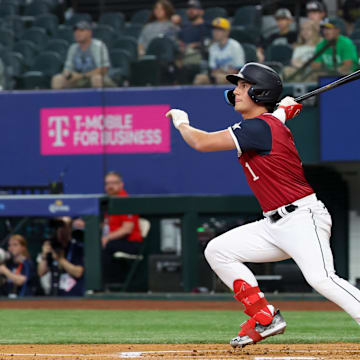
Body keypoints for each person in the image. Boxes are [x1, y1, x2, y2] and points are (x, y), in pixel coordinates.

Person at [166, 62, 360, 348]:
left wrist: (181, 122)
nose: (236, 91)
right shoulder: (267, 124)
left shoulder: (259, 127)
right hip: (275, 224)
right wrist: (281, 111)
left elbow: (201, 142)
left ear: (260, 92)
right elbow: (272, 122)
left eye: (244, 86)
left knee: (322, 279)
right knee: (219, 250)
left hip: (302, 218)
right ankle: (264, 317)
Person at [102, 171, 143, 285]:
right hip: (116, 241)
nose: (110, 186)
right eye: (107, 183)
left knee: (107, 246)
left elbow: (127, 229)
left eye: (114, 183)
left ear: (121, 185)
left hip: (131, 242)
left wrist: (107, 238)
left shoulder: (125, 201)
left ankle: (109, 284)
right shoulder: (108, 202)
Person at [51, 20, 115, 89]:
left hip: (97, 77)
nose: (77, 33)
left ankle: (97, 100)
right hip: (79, 79)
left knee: (96, 78)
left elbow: (103, 70)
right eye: (75, 31)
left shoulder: (98, 46)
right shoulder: (73, 48)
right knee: (57, 79)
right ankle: (62, 100)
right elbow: (67, 68)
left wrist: (81, 76)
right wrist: (67, 75)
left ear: (89, 32)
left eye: (81, 30)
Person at [37, 217, 85, 296]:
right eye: (57, 228)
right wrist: (44, 256)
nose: (59, 230)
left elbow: (78, 272)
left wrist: (60, 259)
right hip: (55, 295)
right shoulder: (52, 245)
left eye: (62, 227)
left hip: (74, 295)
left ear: (69, 229)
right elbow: (41, 272)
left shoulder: (77, 247)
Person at [193, 17, 245, 85]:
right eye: (214, 29)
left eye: (219, 30)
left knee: (220, 78)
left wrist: (222, 72)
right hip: (218, 76)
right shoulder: (213, 47)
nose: (215, 32)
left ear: (227, 32)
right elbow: (213, 70)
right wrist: (223, 72)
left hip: (235, 78)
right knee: (199, 78)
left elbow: (238, 70)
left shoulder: (235, 46)